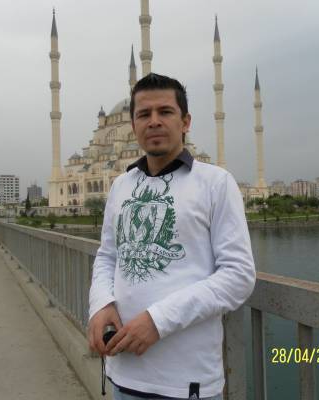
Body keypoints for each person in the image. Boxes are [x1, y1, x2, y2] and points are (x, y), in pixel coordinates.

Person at [88, 73, 256, 399]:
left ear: (185, 121)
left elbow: (238, 276)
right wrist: (101, 304)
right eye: (144, 114)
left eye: (165, 112)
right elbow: (108, 255)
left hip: (185, 382)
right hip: (123, 373)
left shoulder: (215, 183)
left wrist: (158, 321)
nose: (154, 121)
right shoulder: (121, 185)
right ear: (132, 125)